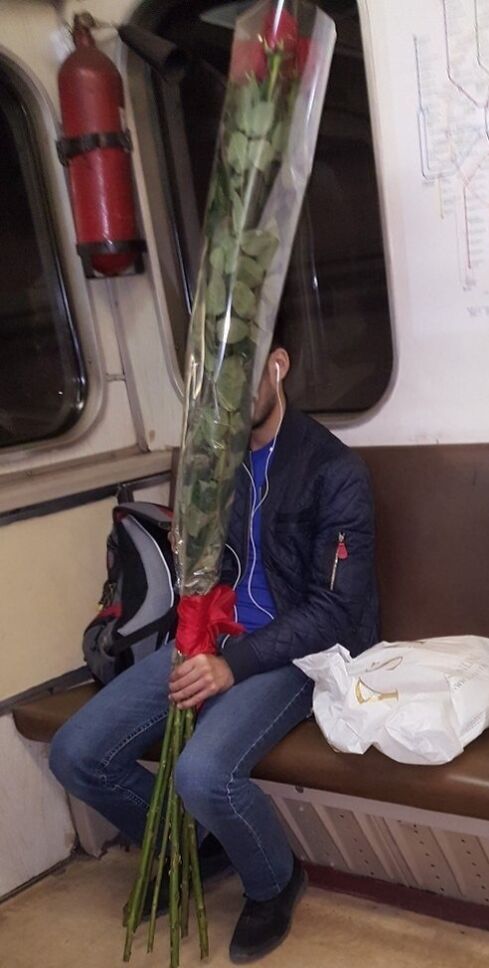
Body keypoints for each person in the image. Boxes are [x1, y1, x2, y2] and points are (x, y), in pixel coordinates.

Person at [49, 338, 379, 962]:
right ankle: (198, 849)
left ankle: (274, 882)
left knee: (201, 774)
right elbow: (204, 573)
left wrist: (232, 666)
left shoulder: (334, 471)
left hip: (295, 654)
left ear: (278, 366)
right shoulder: (214, 468)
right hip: (212, 637)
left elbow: (334, 611)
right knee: (76, 755)